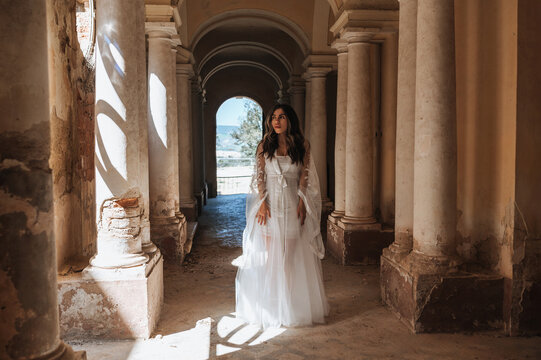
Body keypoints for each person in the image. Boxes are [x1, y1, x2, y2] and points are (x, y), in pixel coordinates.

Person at [235, 103, 329, 329]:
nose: (277, 121)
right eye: (274, 117)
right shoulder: (263, 146)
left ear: (290, 121)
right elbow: (259, 177)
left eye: (282, 117)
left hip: (291, 206)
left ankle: (287, 304)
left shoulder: (302, 146)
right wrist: (262, 203)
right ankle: (271, 305)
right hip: (270, 209)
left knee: (288, 260)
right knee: (272, 260)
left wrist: (302, 202)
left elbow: (305, 177)